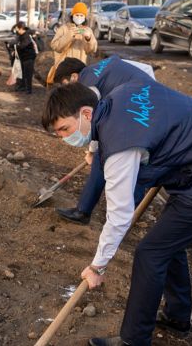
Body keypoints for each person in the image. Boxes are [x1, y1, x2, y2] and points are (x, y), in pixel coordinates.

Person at [41, 76, 192, 346]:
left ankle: (134, 339)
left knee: (150, 253)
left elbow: (119, 215)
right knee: (168, 244)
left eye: (64, 129)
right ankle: (178, 318)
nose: (63, 138)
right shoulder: (121, 92)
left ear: (86, 113)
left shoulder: (120, 145)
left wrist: (97, 265)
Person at [50, 56, 156, 225]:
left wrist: (92, 151)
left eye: (64, 83)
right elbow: (146, 69)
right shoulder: (102, 66)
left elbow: (93, 123)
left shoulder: (87, 87)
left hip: (138, 117)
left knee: (133, 166)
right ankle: (87, 210)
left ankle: (120, 217)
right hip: (140, 106)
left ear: (74, 76)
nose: (66, 89)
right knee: (107, 157)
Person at [50, 2, 97, 69]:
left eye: (81, 15)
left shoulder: (87, 30)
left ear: (85, 17)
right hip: (64, 67)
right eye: (77, 15)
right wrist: (68, 36)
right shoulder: (64, 28)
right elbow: (54, 46)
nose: (79, 17)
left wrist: (89, 39)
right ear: (72, 16)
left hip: (80, 67)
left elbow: (92, 50)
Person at [10, 22, 37, 94]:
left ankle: (29, 89)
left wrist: (16, 45)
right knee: (22, 73)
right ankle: (23, 87)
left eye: (17, 29)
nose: (16, 30)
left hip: (28, 57)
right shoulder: (20, 35)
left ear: (21, 28)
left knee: (28, 74)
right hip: (23, 57)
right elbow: (16, 43)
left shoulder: (27, 36)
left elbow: (22, 46)